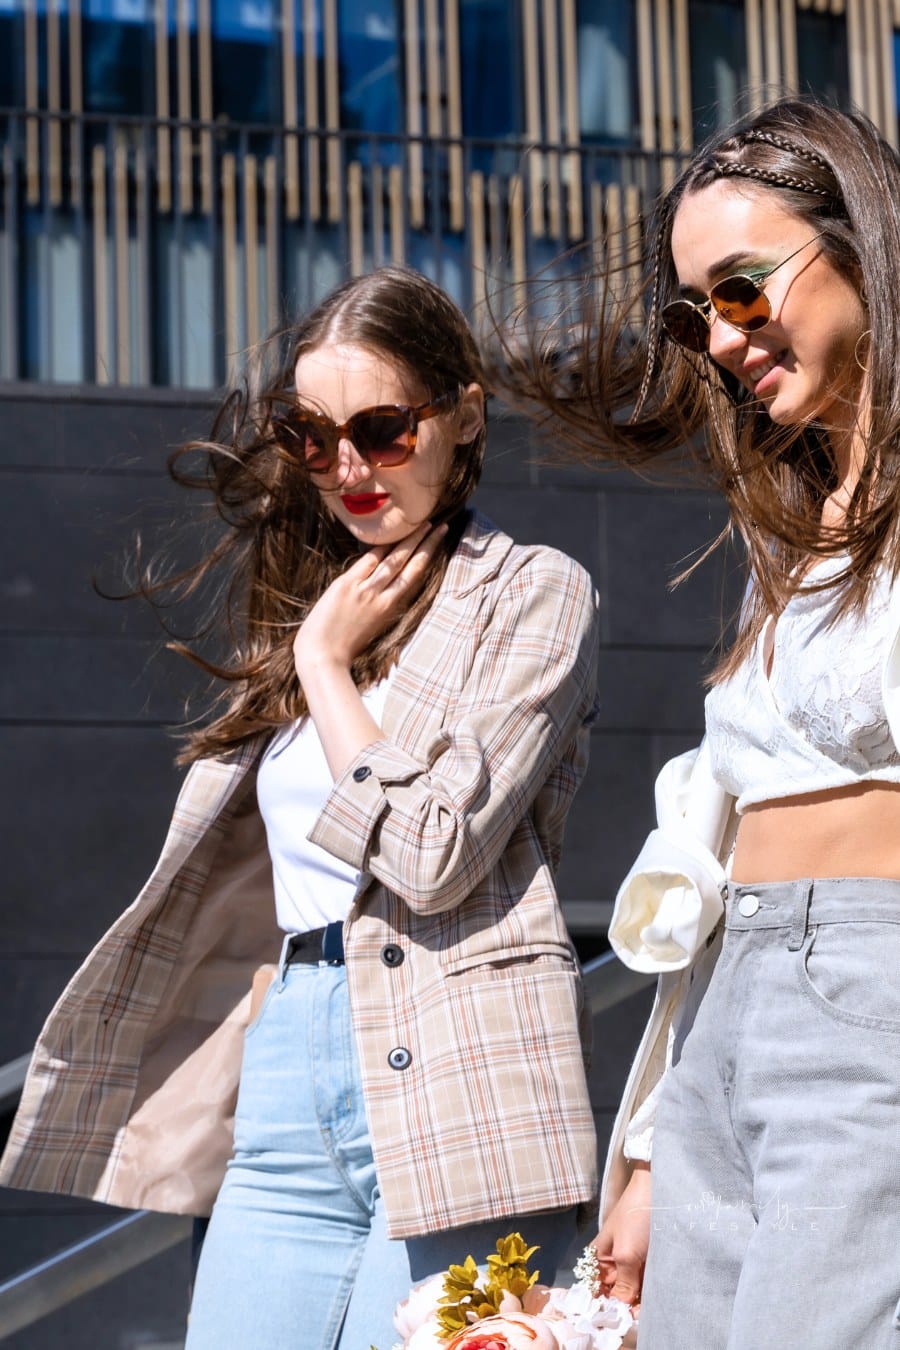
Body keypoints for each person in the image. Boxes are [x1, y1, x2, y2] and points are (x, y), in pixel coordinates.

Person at [0, 267, 600, 1349]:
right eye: (313, 437)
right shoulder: (308, 606)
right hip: (289, 1069)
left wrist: (326, 668)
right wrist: (312, 645)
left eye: (381, 428)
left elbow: (432, 851)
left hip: (462, 1064)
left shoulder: (535, 593)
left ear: (463, 416)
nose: (350, 469)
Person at [503, 98, 900, 1348]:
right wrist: (651, 1138)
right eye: (692, 312)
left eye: (739, 289)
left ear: (865, 245)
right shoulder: (788, 534)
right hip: (732, 1011)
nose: (719, 340)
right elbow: (720, 853)